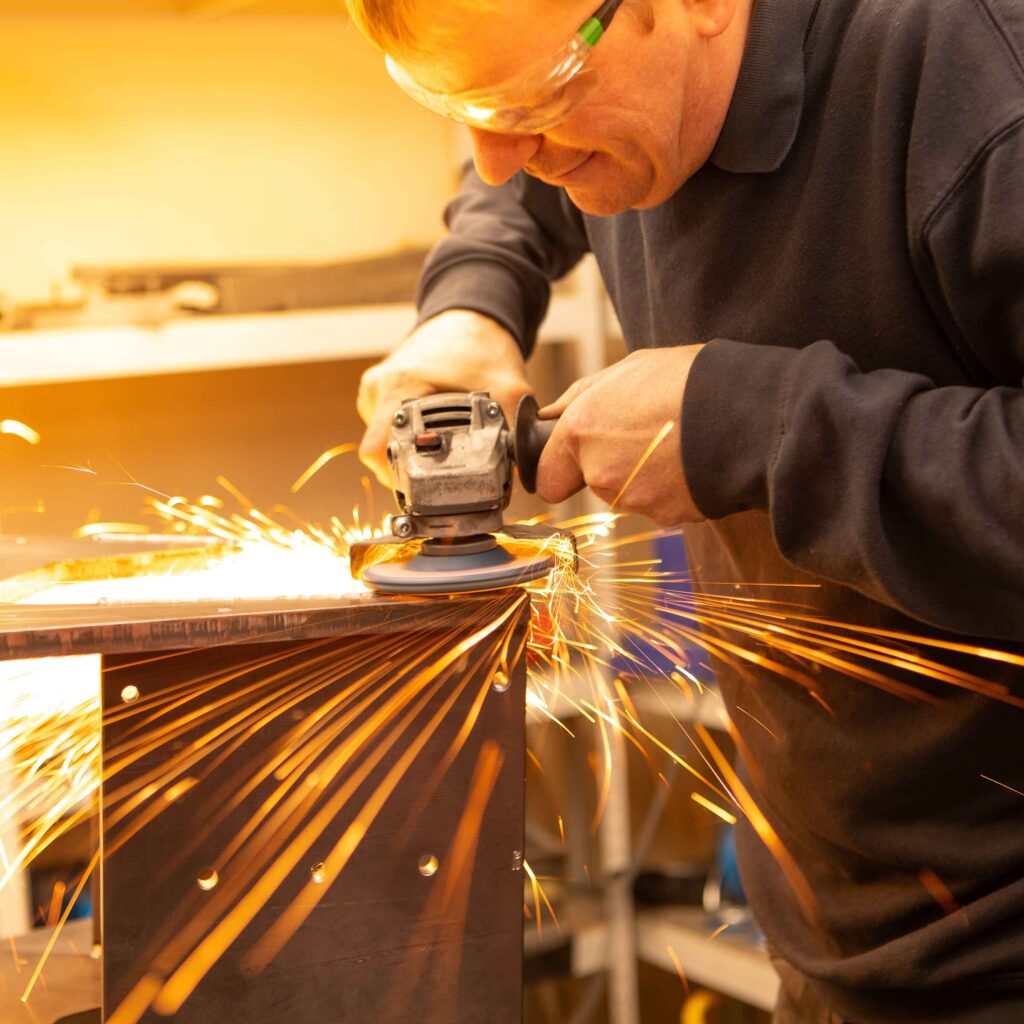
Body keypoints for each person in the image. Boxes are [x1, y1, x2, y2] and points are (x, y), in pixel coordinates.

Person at [347, 0, 1024, 1020]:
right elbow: (510, 185)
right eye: (462, 107)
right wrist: (470, 306)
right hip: (839, 927)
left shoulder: (971, 72)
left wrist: (744, 424)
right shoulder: (609, 104)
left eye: (533, 102)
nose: (499, 157)